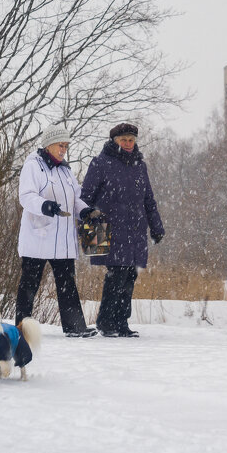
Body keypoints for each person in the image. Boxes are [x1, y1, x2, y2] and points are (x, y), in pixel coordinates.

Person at [80, 122, 164, 337]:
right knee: (115, 275)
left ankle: (121, 323)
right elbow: (86, 197)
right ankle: (106, 322)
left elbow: (148, 199)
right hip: (107, 227)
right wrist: (88, 228)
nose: (128, 143)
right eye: (123, 140)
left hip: (135, 229)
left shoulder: (139, 165)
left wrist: (156, 226)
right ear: (114, 141)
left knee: (129, 276)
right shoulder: (101, 163)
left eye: (131, 140)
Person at [15, 124, 98, 338]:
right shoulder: (33, 165)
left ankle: (74, 327)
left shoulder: (65, 170)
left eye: (66, 146)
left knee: (67, 283)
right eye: (60, 145)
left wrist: (85, 211)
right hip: (38, 236)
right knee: (29, 285)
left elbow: (75, 198)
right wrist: (44, 205)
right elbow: (26, 195)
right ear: (48, 145)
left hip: (62, 239)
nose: (63, 150)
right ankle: (21, 327)